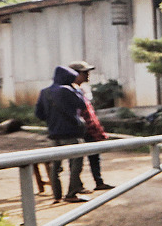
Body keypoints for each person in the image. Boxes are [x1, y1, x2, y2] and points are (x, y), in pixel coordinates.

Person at [34, 65, 88, 203]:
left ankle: (56, 196)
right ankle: (71, 194)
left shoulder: (44, 92)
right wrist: (78, 91)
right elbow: (82, 105)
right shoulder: (68, 90)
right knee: (76, 164)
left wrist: (53, 119)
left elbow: (38, 114)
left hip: (53, 135)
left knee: (55, 167)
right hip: (71, 134)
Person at [67, 60, 112, 191]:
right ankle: (77, 185)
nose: (87, 75)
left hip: (89, 128)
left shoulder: (82, 89)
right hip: (78, 129)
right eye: (84, 72)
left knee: (94, 156)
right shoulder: (69, 90)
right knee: (76, 160)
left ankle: (98, 181)